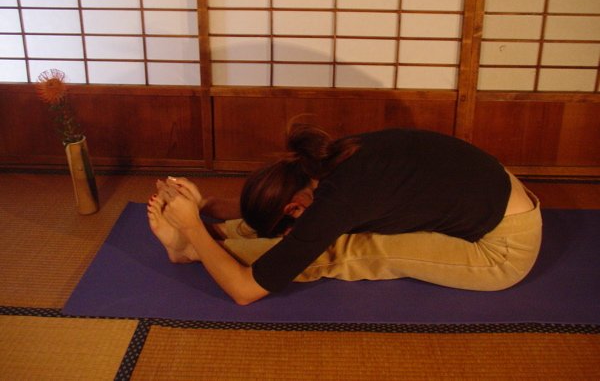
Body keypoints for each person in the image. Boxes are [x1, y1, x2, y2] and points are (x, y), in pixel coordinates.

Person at [148, 124, 542, 306]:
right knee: (313, 236)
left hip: (503, 249)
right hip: (494, 196)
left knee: (343, 249)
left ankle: (192, 251)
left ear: (295, 208)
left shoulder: (340, 200)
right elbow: (282, 210)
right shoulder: (326, 160)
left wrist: (192, 232)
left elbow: (244, 291)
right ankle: (215, 234)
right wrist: (205, 207)